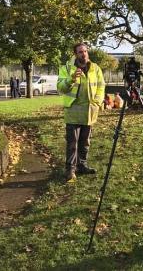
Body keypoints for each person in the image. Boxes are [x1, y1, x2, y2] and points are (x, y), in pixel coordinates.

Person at [57, 42, 105, 181]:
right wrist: (71, 79)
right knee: (72, 143)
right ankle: (70, 170)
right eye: (80, 52)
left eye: (85, 51)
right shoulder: (66, 68)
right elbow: (61, 88)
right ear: (75, 54)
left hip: (89, 111)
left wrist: (96, 102)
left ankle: (82, 165)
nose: (83, 54)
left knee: (85, 141)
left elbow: (101, 87)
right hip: (73, 111)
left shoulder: (95, 68)